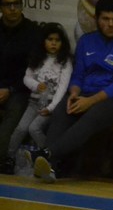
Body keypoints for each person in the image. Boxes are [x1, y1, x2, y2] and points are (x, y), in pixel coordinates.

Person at [34, 0, 113, 183]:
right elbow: (78, 75)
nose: (111, 24)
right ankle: (50, 168)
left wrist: (90, 101)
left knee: (94, 114)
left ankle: (47, 154)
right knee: (62, 109)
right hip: (86, 95)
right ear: (96, 19)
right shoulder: (86, 41)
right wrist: (74, 93)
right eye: (106, 19)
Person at [5, 23, 72, 168]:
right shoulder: (37, 57)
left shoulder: (65, 61)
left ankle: (50, 156)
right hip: (33, 103)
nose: (53, 43)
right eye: (50, 39)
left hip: (51, 105)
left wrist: (51, 107)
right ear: (43, 41)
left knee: (34, 128)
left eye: (57, 40)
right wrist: (35, 85)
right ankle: (9, 157)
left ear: (62, 43)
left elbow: (63, 88)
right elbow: (26, 78)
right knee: (21, 129)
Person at [0, 0, 40, 173]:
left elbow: (34, 69)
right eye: (8, 4)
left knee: (12, 118)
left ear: (22, 5)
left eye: (16, 4)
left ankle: (2, 160)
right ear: (1, 7)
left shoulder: (33, 32)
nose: (13, 8)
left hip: (20, 90)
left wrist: (10, 89)